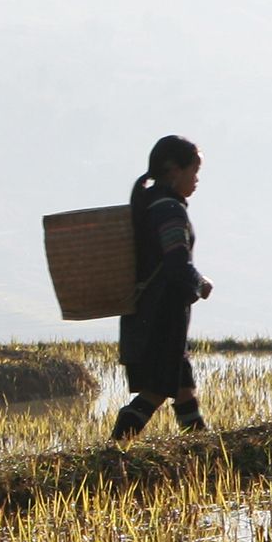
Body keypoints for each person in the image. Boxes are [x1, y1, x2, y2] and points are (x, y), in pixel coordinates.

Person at [113, 135, 212, 441]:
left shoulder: (151, 204)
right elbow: (176, 261)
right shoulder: (169, 209)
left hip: (151, 313)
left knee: (183, 391)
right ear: (173, 170)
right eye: (193, 172)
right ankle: (115, 450)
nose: (196, 180)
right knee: (156, 390)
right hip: (162, 317)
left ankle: (204, 454)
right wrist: (200, 283)